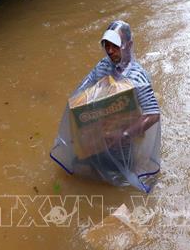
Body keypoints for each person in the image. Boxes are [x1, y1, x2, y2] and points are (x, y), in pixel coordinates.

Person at [50, 20, 161, 192]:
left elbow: (153, 114)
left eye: (115, 46)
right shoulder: (103, 66)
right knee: (83, 178)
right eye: (107, 46)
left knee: (116, 186)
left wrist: (124, 134)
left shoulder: (137, 77)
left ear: (129, 45)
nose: (110, 51)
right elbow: (84, 94)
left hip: (122, 146)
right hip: (96, 140)